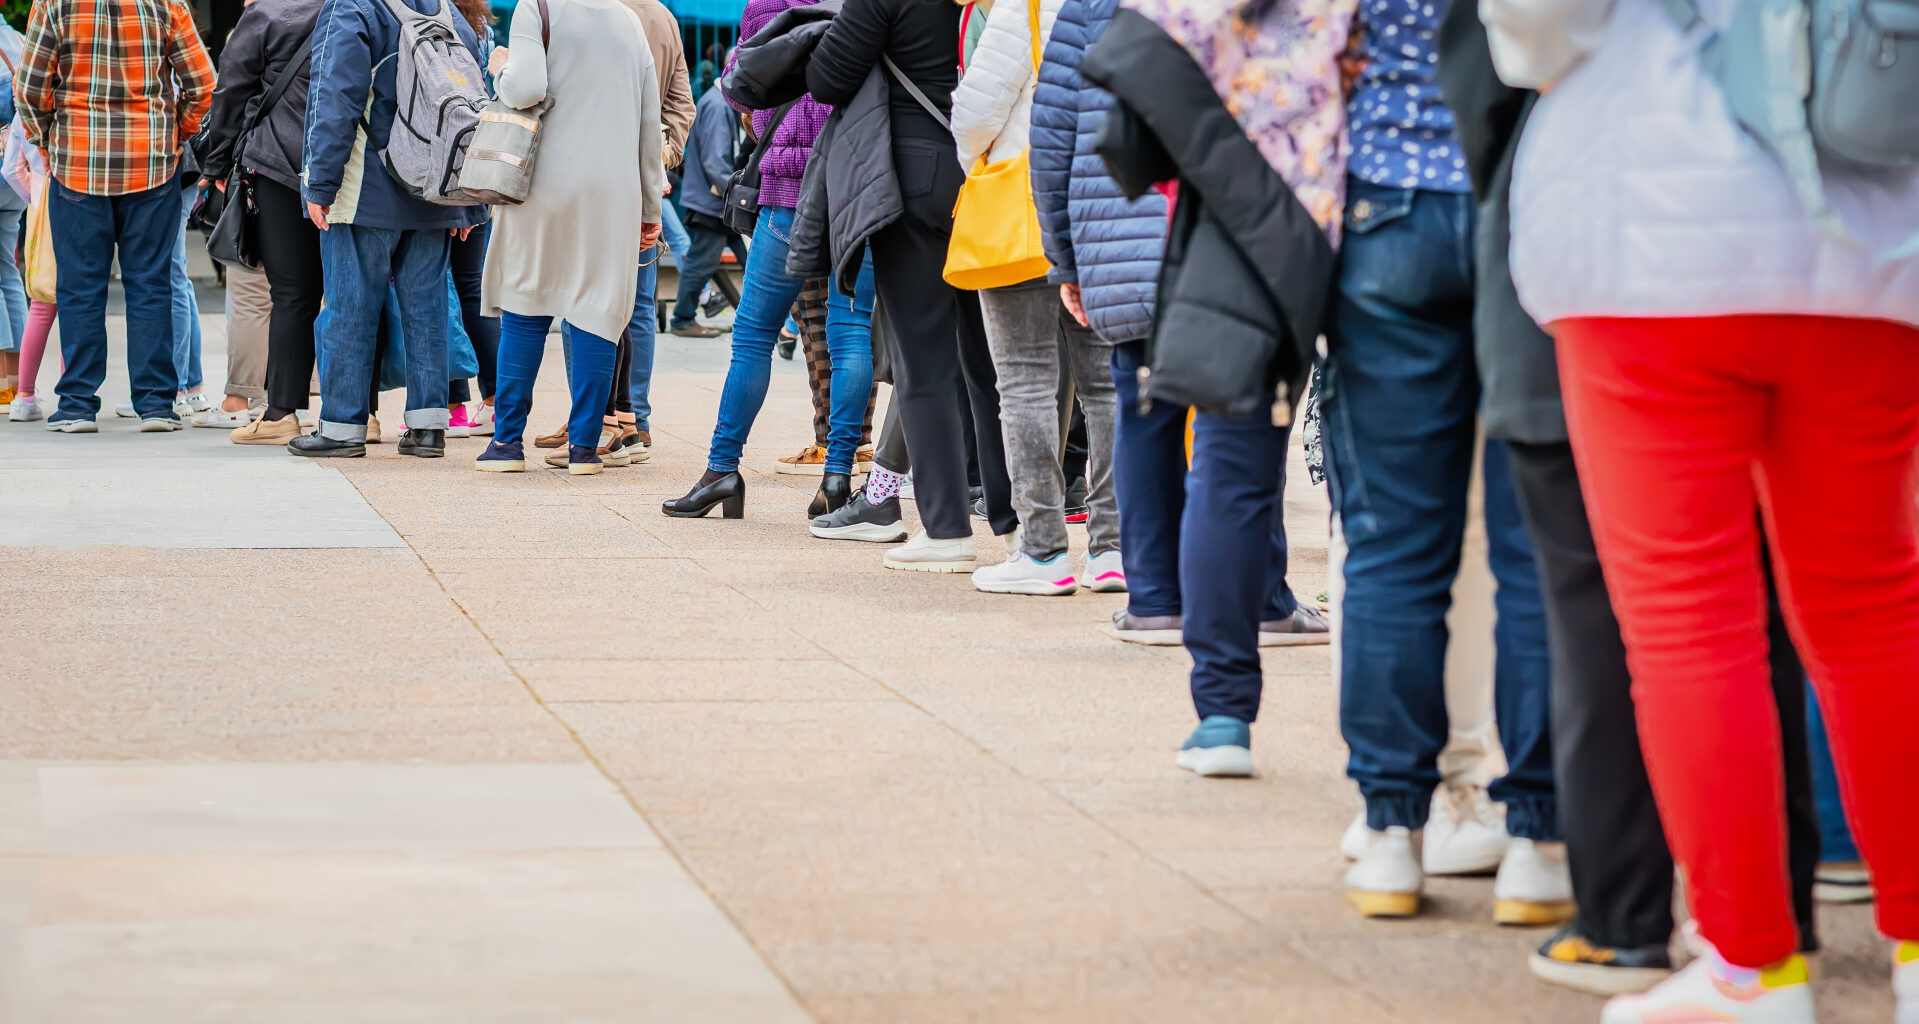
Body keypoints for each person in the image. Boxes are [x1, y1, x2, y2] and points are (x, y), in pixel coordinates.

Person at [1484, 0, 1919, 1017]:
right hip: (1870, 229)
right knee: (1872, 612)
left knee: (1686, 625)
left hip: (1643, 226)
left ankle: (1752, 970)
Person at [1432, 2, 1823, 993]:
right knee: (1769, 610)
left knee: (1601, 614)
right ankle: (1771, 917)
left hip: (1598, 285)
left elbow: (1485, 91)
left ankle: (1622, 917)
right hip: (1792, 259)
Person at [1316, 0, 1562, 925]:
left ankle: (1388, 834)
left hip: (1385, 202)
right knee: (1535, 551)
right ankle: (1539, 841)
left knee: (1389, 551)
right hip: (1527, 194)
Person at [805, 0, 1019, 570]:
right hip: (984, 177)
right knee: (990, 363)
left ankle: (947, 529)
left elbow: (827, 76)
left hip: (913, 179)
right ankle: (1018, 525)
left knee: (923, 361)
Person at [663, 0, 875, 521]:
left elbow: (747, 91)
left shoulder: (770, 4)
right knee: (851, 330)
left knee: (754, 334)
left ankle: (722, 471)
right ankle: (839, 475)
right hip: (860, 185)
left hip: (789, 192)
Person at [951, 0, 1120, 596]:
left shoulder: (1026, 8)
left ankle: (1043, 550)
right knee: (1106, 383)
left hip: (1023, 203)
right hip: (1102, 209)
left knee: (1023, 381)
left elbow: (975, 112)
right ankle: (1113, 549)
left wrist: (982, 162)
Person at [475, 0, 665, 475]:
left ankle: (506, 444)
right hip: (611, 193)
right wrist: (649, 207)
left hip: (542, 184)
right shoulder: (628, 21)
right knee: (597, 311)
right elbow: (649, 124)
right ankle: (584, 449)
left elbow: (524, 89)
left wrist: (501, 66)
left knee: (525, 305)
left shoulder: (534, 8)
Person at [296, 0, 487, 458]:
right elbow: (477, 102)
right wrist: (470, 202)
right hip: (434, 188)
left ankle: (342, 427)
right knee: (428, 308)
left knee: (349, 307)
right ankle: (428, 428)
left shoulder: (354, 9)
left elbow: (335, 97)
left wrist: (318, 181)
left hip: (368, 188)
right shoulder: (447, 12)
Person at [14, 0, 215, 433]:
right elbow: (202, 83)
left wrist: (46, 137)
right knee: (150, 284)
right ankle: (156, 405)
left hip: (78, 162)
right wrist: (177, 131)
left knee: (80, 288)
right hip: (152, 162)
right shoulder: (166, 4)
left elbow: (29, 87)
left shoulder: (54, 4)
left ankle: (77, 405)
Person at [530, 0, 690, 457]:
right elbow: (682, 102)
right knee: (636, 304)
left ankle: (596, 418)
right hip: (642, 178)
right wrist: (661, 157)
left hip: (591, 178)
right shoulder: (662, 16)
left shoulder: (581, 11)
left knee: (582, 297)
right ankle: (631, 416)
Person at [197, 0, 324, 445]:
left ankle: (280, 414)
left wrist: (215, 167)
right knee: (348, 296)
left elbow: (230, 93)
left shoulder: (266, 16)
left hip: (277, 166)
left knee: (291, 293)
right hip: (347, 166)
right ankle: (359, 414)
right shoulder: (357, 10)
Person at [669, 81, 747, 340]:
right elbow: (715, 163)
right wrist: (738, 195)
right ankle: (682, 319)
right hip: (713, 202)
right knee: (702, 263)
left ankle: (756, 321)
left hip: (717, 201)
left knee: (749, 259)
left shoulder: (720, 101)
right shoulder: (717, 105)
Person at [0, 20, 29, 407]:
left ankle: (2, 380)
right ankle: (19, 379)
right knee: (8, 270)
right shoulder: (21, 40)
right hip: (16, 172)